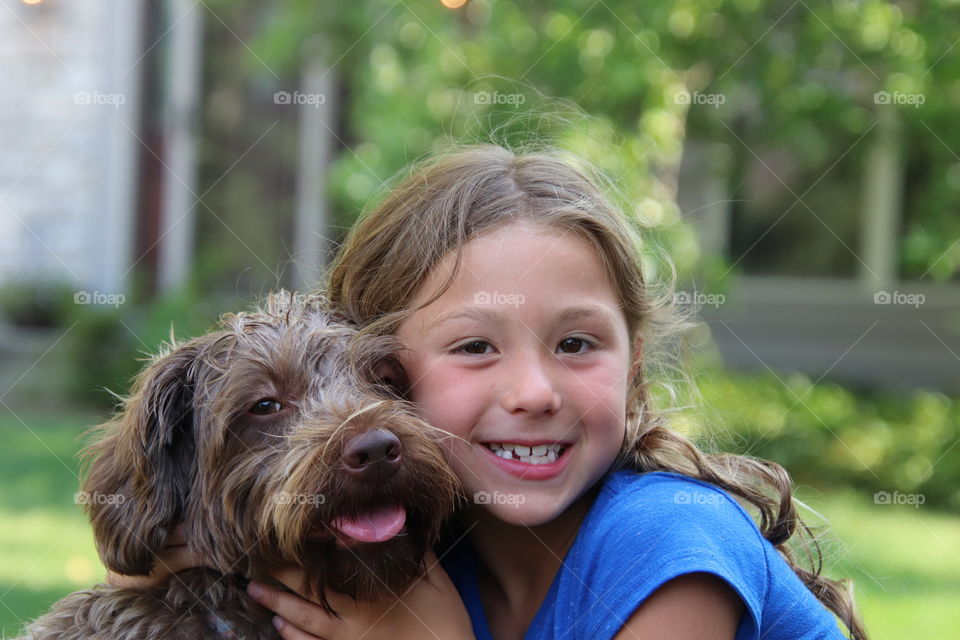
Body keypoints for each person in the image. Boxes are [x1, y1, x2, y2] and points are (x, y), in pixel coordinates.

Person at [119, 145, 868, 640]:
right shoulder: (408, 537)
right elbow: (152, 551)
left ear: (634, 365)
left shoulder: (668, 539)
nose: (535, 391)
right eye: (475, 347)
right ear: (383, 377)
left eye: (577, 344)